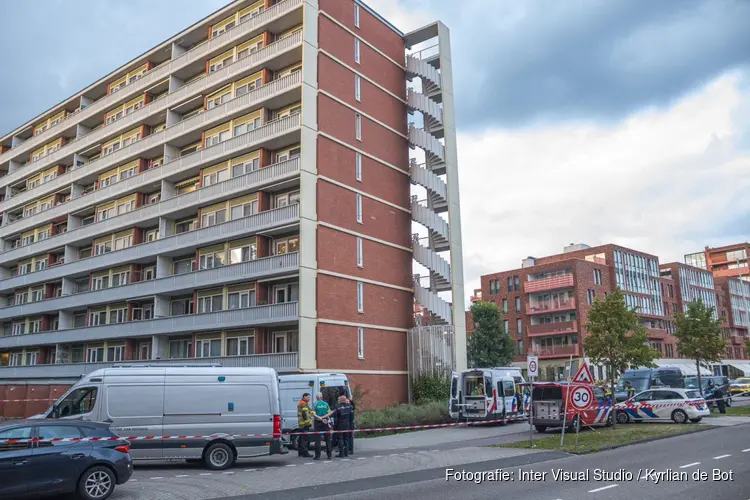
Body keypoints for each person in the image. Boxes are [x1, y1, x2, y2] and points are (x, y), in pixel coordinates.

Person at [312, 392, 332, 460]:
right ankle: (329, 455)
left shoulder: (315, 404)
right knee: (328, 440)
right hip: (325, 422)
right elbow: (329, 413)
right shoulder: (326, 404)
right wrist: (324, 417)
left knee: (317, 440)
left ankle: (317, 456)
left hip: (317, 422)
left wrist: (320, 417)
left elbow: (313, 414)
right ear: (322, 397)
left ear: (316, 397)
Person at [296, 393, 313, 458]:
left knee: (301, 438)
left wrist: (312, 412)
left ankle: (300, 452)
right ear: (304, 397)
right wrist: (308, 422)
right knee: (305, 439)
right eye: (308, 397)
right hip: (304, 424)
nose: (309, 398)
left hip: (301, 424)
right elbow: (304, 414)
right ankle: (305, 453)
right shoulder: (304, 403)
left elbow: (309, 411)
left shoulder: (301, 402)